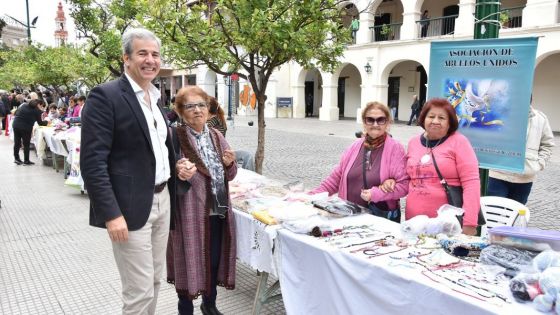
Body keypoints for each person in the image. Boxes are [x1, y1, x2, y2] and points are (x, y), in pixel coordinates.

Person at [80, 28, 188, 315]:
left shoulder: (155, 97)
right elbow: (92, 162)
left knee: (153, 280)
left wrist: (176, 165)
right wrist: (111, 215)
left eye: (155, 54)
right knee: (138, 291)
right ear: (126, 58)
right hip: (129, 208)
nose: (150, 60)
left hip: (163, 200)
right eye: (142, 53)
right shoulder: (106, 96)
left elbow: (154, 149)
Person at [167, 86, 238, 315]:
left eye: (202, 105)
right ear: (180, 111)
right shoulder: (174, 137)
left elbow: (231, 174)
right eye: (190, 106)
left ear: (208, 109)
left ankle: (209, 305)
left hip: (218, 211)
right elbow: (163, 171)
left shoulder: (216, 136)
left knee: (214, 261)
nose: (197, 111)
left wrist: (229, 164)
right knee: (188, 261)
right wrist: (177, 169)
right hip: (189, 212)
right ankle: (185, 309)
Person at [309, 101, 409, 222]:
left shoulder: (395, 148)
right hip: (347, 215)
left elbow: (404, 186)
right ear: (364, 123)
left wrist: (376, 194)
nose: (375, 124)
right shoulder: (354, 146)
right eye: (370, 120)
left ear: (387, 122)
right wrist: (310, 196)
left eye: (381, 120)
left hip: (380, 217)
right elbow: (335, 179)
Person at [406, 98, 481, 235]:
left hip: (448, 224)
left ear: (449, 123)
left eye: (441, 118)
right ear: (423, 119)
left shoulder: (459, 142)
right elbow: (406, 177)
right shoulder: (413, 143)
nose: (435, 121)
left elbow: (471, 183)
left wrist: (469, 223)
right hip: (414, 222)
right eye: (431, 116)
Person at [488, 105, 555, 204]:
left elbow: (547, 145)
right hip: (498, 174)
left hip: (524, 178)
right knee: (494, 213)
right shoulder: (499, 114)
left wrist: (539, 164)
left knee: (516, 215)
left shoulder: (540, 118)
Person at [12, 99, 48, 165]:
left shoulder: (23, 105)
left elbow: (16, 113)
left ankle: (16, 159)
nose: (42, 107)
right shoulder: (37, 111)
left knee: (17, 142)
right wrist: (47, 122)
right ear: (38, 104)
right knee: (26, 144)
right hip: (25, 128)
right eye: (41, 105)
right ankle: (26, 160)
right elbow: (40, 123)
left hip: (16, 125)